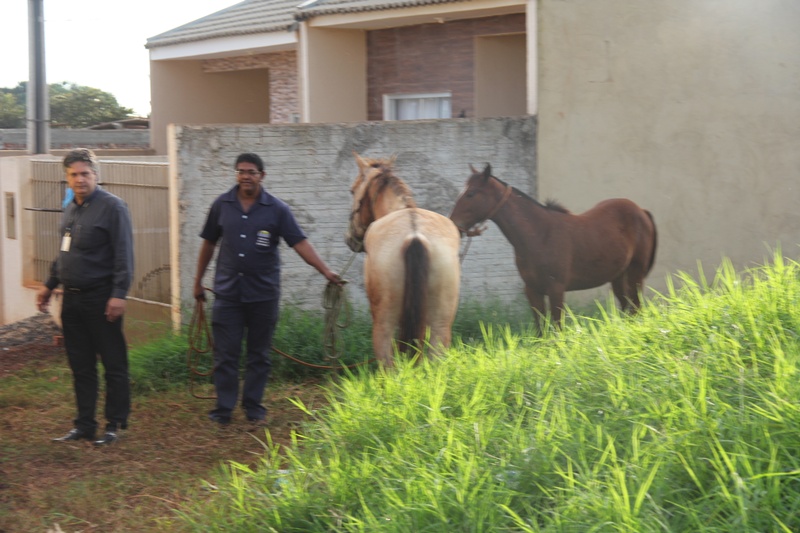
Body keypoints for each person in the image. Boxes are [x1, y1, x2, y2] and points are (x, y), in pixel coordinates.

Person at [194, 152, 342, 427]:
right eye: (241, 171)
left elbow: (299, 243)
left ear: (262, 175)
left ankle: (254, 408)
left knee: (259, 355)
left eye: (251, 171)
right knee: (225, 354)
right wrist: (197, 281)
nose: (245, 176)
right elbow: (208, 244)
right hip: (228, 294)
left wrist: (326, 271)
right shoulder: (222, 205)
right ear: (236, 175)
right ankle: (223, 410)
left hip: (263, 295)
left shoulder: (277, 209)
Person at [37, 148, 134, 446]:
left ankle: (114, 424)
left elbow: (124, 255)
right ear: (66, 178)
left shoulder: (113, 207)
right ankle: (84, 425)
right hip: (73, 300)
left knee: (113, 363)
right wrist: (50, 283)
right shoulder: (71, 208)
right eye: (74, 175)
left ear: (96, 175)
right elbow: (65, 252)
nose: (80, 180)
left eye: (85, 174)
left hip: (101, 298)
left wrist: (119, 295)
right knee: (80, 365)